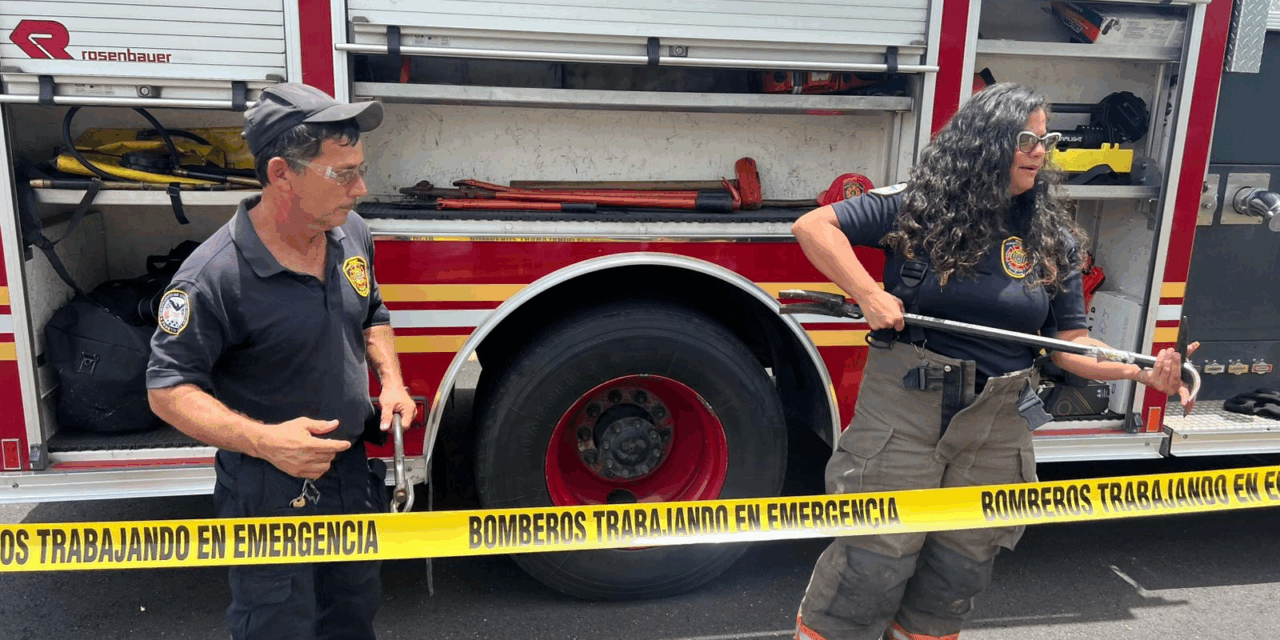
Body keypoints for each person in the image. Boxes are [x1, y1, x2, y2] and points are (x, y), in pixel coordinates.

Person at [789, 83, 1196, 640]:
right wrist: (868, 293)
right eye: (1026, 139)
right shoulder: (919, 205)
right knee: (872, 562)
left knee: (958, 570)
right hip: (906, 410)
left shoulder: (1051, 236)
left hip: (1000, 422)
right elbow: (814, 227)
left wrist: (1137, 370)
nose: (1040, 151)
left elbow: (1071, 342)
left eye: (1046, 140)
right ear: (986, 141)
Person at [146, 83, 416, 640]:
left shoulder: (350, 233)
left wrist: (391, 381)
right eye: (343, 174)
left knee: (352, 618)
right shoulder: (213, 277)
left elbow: (373, 312)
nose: (361, 189)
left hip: (350, 475)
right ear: (281, 174)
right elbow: (167, 390)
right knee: (277, 627)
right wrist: (267, 442)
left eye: (361, 170)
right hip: (267, 488)